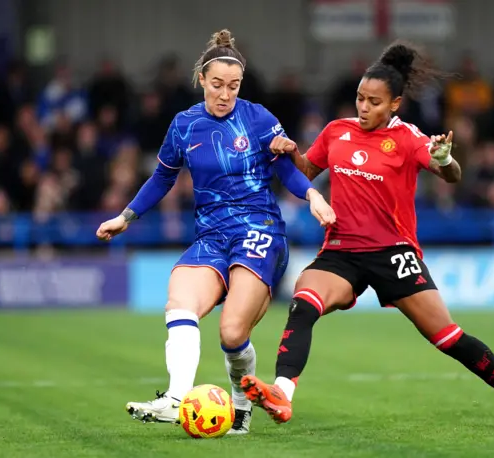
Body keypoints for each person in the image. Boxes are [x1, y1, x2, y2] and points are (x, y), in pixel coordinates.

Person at [241, 41, 494, 431]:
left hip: (393, 252)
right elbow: (304, 170)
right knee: (304, 301)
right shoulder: (337, 131)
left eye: (374, 101)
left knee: (447, 337)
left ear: (395, 105)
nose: (363, 107)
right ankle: (282, 393)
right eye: (359, 98)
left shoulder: (407, 138)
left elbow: (450, 173)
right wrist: (289, 153)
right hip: (343, 250)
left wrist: (445, 160)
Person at [95, 29, 335, 435]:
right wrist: (126, 216)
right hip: (211, 237)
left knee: (231, 332)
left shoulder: (258, 118)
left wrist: (312, 195)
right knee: (180, 303)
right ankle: (175, 399)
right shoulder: (185, 125)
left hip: (259, 232)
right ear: (202, 80)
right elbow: (161, 178)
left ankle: (241, 407)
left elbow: (287, 170)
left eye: (234, 86)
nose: (226, 94)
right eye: (218, 85)